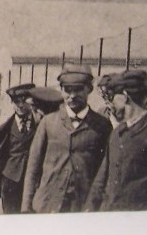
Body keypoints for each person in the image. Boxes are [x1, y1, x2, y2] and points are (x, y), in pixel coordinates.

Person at [21, 63, 111, 214]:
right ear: (61, 90)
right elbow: (33, 167)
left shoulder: (102, 125)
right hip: (48, 205)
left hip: (83, 207)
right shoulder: (48, 122)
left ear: (89, 89)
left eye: (78, 90)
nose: (72, 95)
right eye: (67, 90)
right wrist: (26, 207)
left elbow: (105, 171)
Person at [87, 70, 147, 212]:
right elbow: (100, 181)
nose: (111, 102)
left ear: (125, 97)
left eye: (114, 97)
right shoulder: (117, 133)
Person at [0, 83, 39, 214]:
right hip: (11, 183)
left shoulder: (40, 124)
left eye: (24, 101)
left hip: (34, 182)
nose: (20, 105)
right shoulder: (6, 128)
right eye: (16, 102)